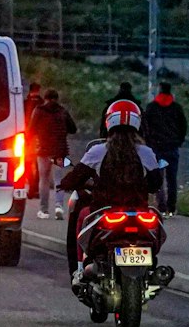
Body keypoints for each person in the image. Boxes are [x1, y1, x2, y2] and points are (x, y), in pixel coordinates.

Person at [58, 100, 165, 277]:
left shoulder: (98, 151)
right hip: (138, 211)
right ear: (137, 124)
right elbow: (156, 183)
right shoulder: (146, 152)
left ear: (109, 122)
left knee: (81, 216)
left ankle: (79, 268)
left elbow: (74, 178)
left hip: (104, 210)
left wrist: (65, 183)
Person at [27, 88, 77, 220]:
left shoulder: (39, 110)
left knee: (43, 179)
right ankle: (59, 207)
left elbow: (31, 130)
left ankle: (43, 210)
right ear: (57, 99)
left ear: (45, 98)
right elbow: (73, 129)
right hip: (60, 151)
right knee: (58, 179)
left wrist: (30, 140)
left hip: (43, 150)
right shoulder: (62, 111)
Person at [142, 80, 188, 216]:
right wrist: (179, 141)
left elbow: (145, 126)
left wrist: (148, 142)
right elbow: (183, 126)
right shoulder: (177, 108)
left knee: (159, 178)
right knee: (172, 179)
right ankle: (171, 208)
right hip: (172, 148)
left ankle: (161, 207)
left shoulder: (151, 107)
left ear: (159, 91)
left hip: (157, 148)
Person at [23, 82, 43, 199]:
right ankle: (35, 189)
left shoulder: (24, 104)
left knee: (27, 163)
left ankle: (31, 187)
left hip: (27, 138)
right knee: (39, 164)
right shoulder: (43, 104)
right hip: (41, 138)